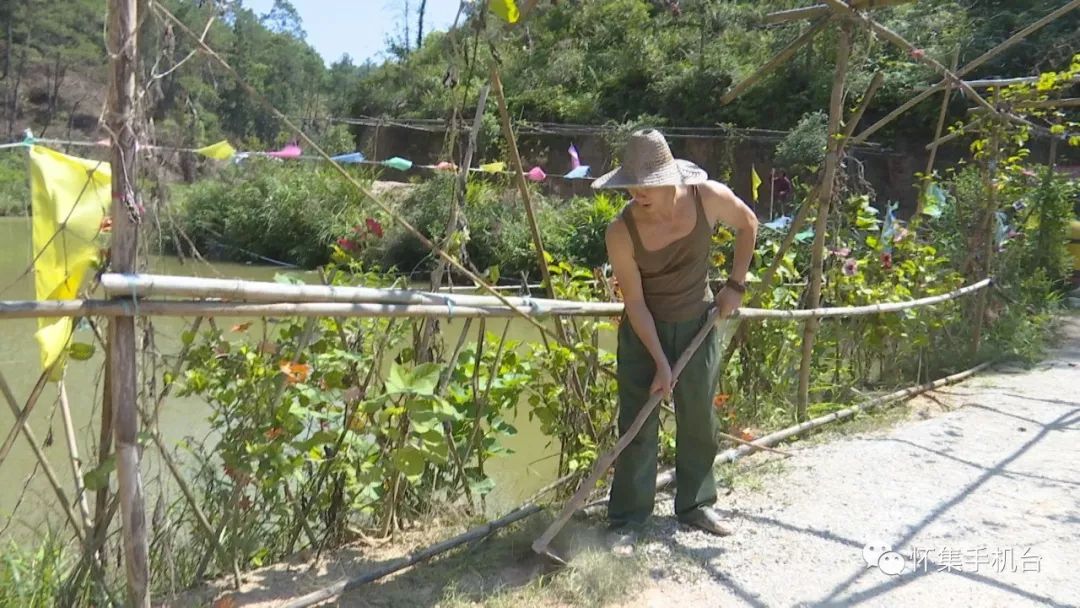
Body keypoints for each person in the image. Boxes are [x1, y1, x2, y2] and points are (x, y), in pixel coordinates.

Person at [593, 129, 758, 551]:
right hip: (643, 332)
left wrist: (735, 286)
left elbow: (747, 224)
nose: (638, 193)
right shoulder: (620, 231)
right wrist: (661, 364)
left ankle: (696, 504)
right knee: (638, 422)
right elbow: (634, 302)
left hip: (697, 325)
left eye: (647, 184)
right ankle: (629, 518)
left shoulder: (708, 197)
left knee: (700, 417)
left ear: (670, 178)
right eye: (631, 184)